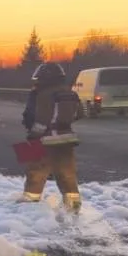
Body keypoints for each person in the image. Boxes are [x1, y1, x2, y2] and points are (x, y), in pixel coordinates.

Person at [22, 62, 82, 211]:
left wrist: (33, 136)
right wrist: (63, 123)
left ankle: (30, 205)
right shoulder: (71, 93)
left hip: (45, 139)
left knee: (35, 172)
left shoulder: (44, 95)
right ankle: (73, 206)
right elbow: (80, 113)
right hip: (67, 139)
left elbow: (42, 119)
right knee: (67, 174)